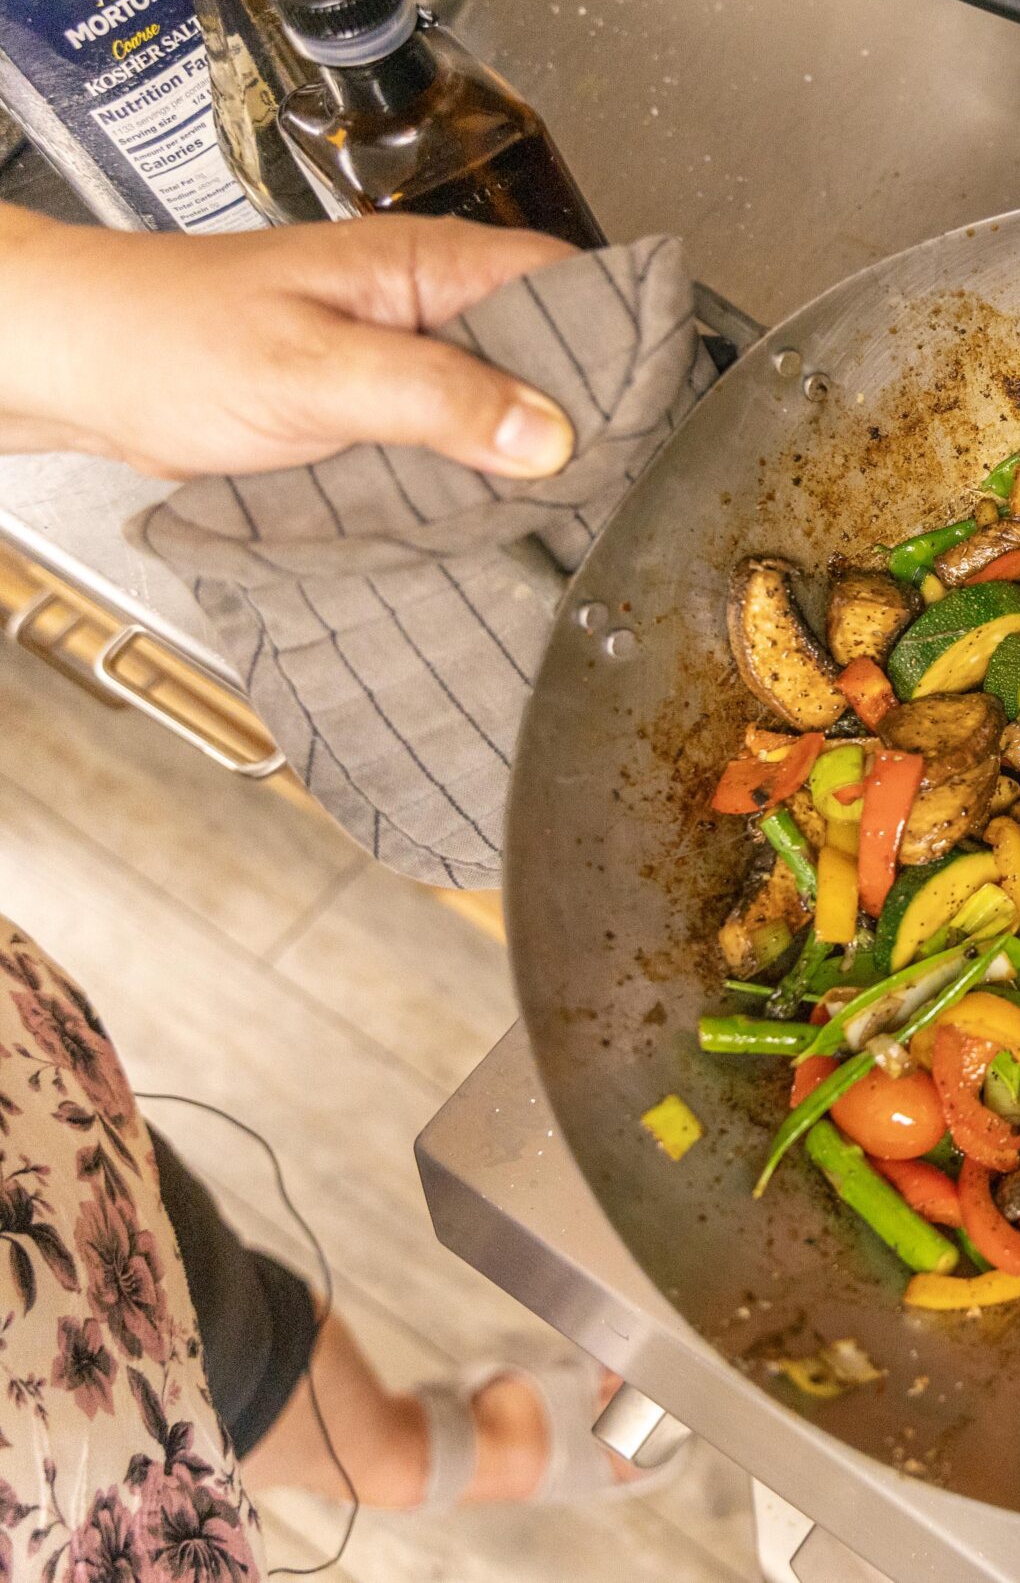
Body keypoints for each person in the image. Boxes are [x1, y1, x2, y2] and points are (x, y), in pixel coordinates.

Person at [0, 202, 639, 1578]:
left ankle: (423, 1451)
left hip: (28, 1174)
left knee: (201, 1316)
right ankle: (432, 1461)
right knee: (173, 1413)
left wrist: (65, 326)